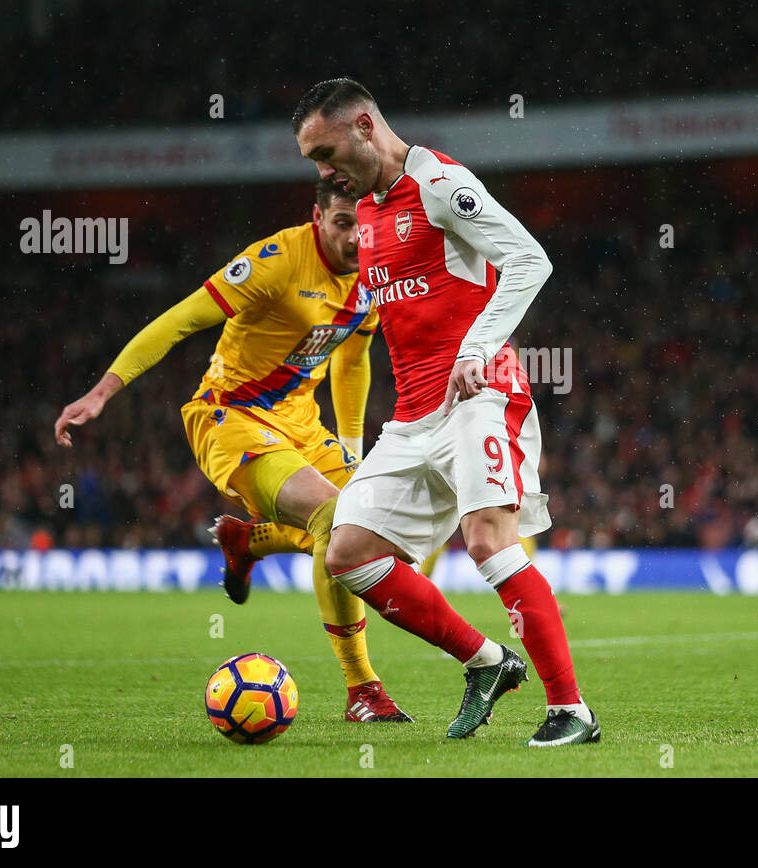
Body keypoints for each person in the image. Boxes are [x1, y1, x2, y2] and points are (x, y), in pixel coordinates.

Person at [293, 77, 599, 746]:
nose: (321, 171)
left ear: (365, 127)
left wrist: (479, 347)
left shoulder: (438, 183)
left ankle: (571, 711)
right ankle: (487, 663)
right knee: (348, 553)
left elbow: (527, 258)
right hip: (413, 417)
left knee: (488, 539)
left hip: (479, 393)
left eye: (325, 151)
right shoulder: (365, 212)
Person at [53, 181, 411, 721]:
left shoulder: (375, 275)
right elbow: (182, 319)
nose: (356, 239)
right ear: (317, 216)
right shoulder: (275, 261)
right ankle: (363, 690)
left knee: (384, 538)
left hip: (305, 426)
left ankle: (249, 541)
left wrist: (353, 448)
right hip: (232, 417)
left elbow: (354, 358)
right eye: (342, 223)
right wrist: (104, 390)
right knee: (334, 516)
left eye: (364, 226)